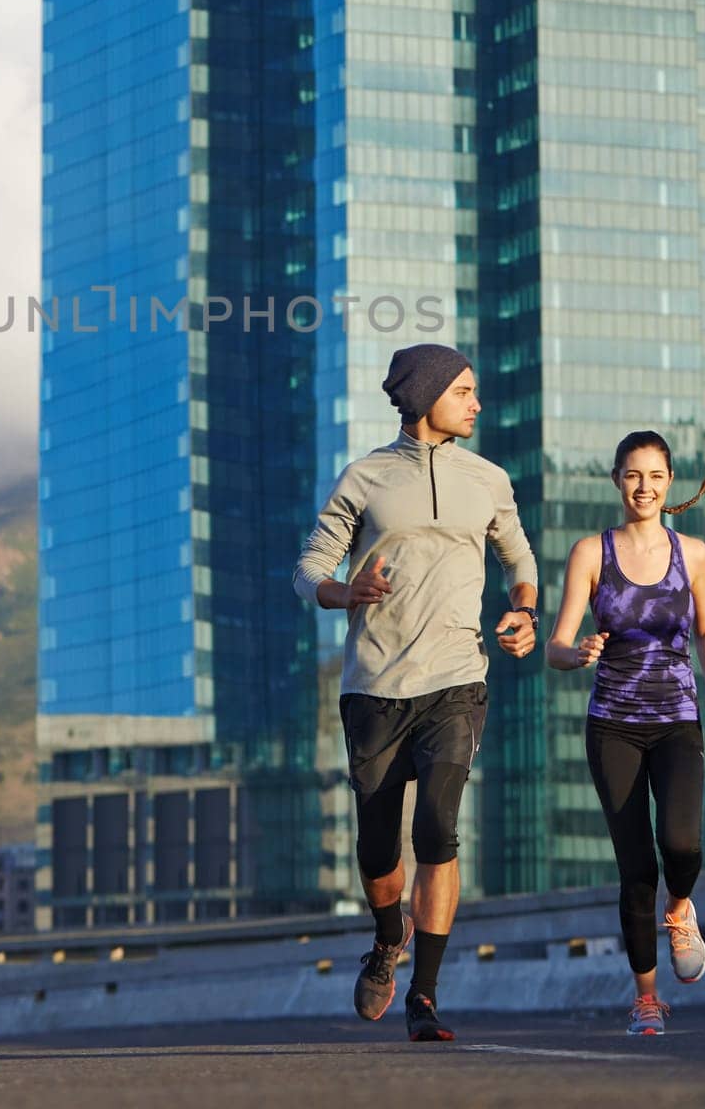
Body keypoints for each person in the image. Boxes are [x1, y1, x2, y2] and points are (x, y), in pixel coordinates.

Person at [293, 343, 539, 1043]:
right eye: (464, 391)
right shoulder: (365, 479)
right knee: (378, 848)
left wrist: (523, 611)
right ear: (426, 396)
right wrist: (345, 591)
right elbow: (310, 566)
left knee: (437, 827)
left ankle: (424, 996)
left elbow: (519, 559)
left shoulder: (488, 478)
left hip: (457, 680)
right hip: (374, 686)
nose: (476, 404)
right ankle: (384, 940)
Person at [543, 430, 705, 1037]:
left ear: (670, 481)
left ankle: (681, 909)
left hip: (678, 718)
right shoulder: (590, 553)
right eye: (633, 475)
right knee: (635, 867)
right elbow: (554, 646)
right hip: (613, 726)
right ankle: (646, 999)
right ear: (616, 480)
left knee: (681, 844)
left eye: (654, 476)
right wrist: (577, 655)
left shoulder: (695, 554)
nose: (644, 487)